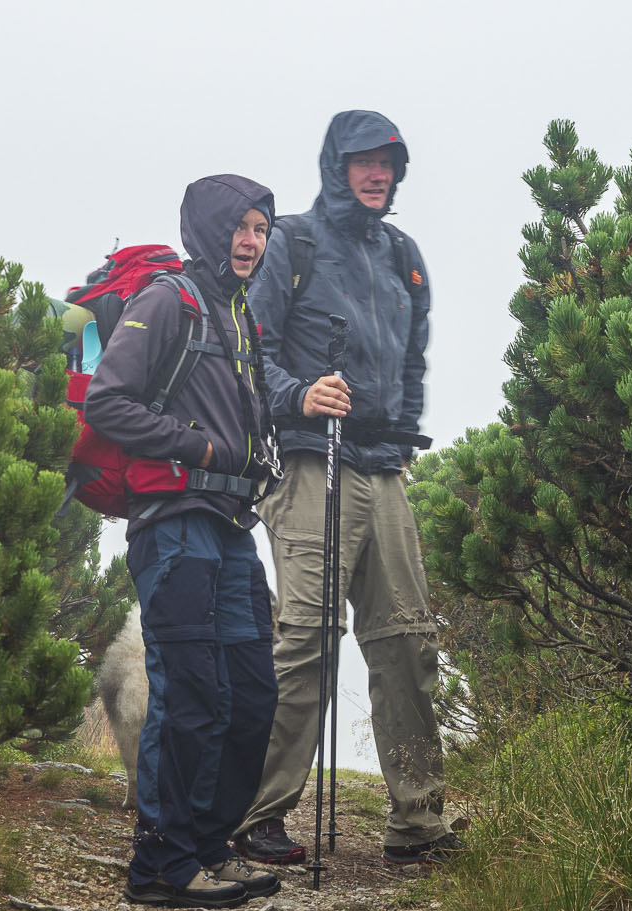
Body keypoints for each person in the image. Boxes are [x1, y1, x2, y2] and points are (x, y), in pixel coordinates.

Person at [233, 111, 463, 870]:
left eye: (388, 163)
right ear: (338, 165)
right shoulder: (294, 242)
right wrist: (300, 394)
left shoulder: (404, 256)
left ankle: (418, 823)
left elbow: (415, 365)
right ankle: (259, 816)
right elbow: (247, 352)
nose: (377, 174)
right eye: (363, 161)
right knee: (304, 638)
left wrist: (398, 435)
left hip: (384, 468)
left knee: (406, 641)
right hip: (307, 461)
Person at [84, 174, 285, 908]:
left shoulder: (240, 319)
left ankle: (208, 845)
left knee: (251, 694)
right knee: (193, 693)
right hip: (173, 524)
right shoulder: (169, 300)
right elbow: (108, 402)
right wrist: (197, 448)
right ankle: (161, 866)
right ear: (209, 229)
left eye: (262, 229)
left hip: (232, 527)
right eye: (239, 226)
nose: (251, 240)